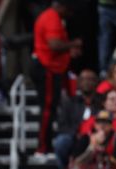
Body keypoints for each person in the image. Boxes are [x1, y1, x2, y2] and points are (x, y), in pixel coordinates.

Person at [31, 1, 82, 159]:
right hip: (47, 68)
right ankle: (42, 147)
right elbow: (54, 45)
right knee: (47, 109)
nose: (68, 14)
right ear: (62, 6)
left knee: (51, 108)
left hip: (51, 68)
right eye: (68, 10)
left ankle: (46, 145)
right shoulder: (51, 18)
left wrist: (67, 53)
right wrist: (74, 43)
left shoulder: (51, 16)